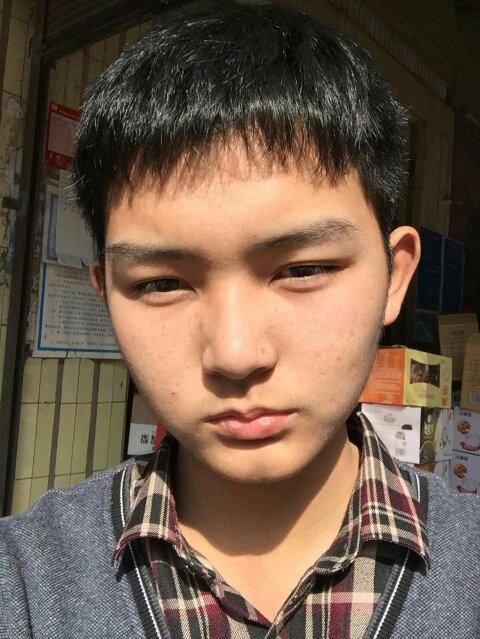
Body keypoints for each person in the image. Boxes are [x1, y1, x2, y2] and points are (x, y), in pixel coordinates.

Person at [1, 4, 479, 638]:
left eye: (303, 269)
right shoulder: (25, 585)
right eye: (162, 283)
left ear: (394, 277)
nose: (234, 353)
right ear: (106, 295)